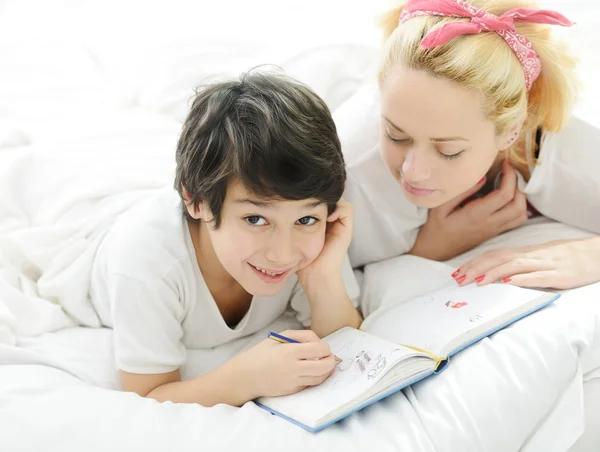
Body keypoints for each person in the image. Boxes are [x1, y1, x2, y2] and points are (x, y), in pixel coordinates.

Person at [89, 70, 362, 406]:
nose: (283, 254)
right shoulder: (146, 264)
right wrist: (245, 378)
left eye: (307, 218)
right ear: (196, 202)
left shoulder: (309, 244)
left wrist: (322, 278)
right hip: (93, 236)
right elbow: (146, 395)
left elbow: (350, 344)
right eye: (256, 219)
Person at [342, 0, 600, 290]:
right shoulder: (351, 169)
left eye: (448, 151)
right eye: (396, 135)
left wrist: (589, 255)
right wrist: (429, 249)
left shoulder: (569, 140)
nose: (413, 172)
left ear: (512, 129)